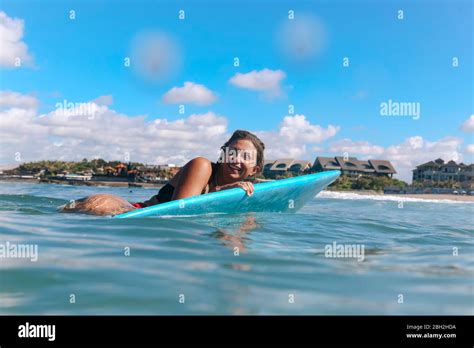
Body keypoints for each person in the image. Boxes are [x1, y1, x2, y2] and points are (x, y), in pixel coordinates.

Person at [60, 130, 265, 215]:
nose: (237, 159)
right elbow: (180, 211)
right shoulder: (202, 166)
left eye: (245, 157)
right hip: (119, 208)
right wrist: (224, 190)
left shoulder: (243, 192)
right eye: (232, 152)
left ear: (254, 170)